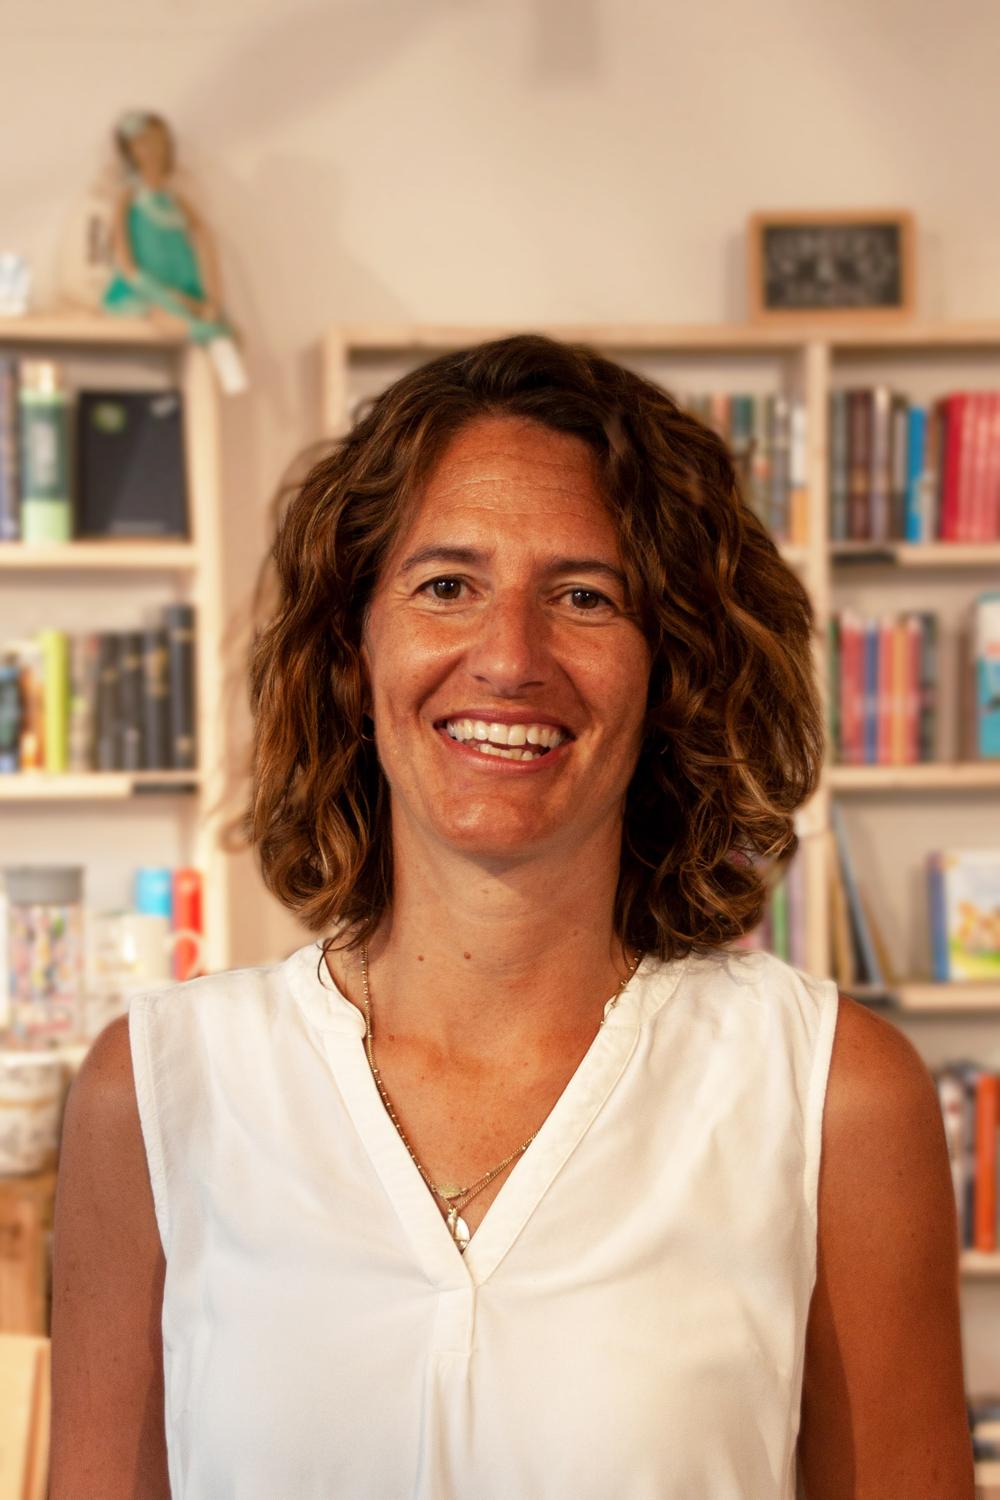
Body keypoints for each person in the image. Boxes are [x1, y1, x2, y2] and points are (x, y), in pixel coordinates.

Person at [48, 334, 974, 1497]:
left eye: (584, 596)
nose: (510, 657)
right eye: (446, 586)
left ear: (670, 668)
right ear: (353, 650)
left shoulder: (829, 1096)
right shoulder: (156, 1091)